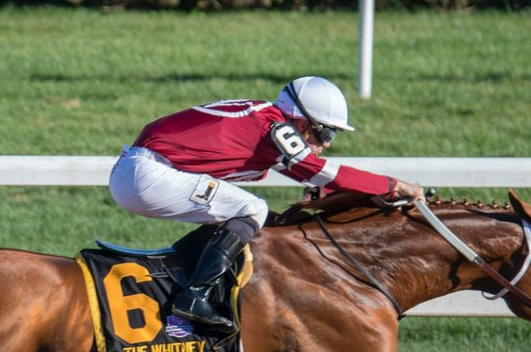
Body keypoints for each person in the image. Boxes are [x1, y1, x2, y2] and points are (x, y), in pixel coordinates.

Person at [108, 75, 426, 331]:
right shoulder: (276, 125)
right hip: (148, 173)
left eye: (333, 136)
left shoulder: (267, 125)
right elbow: (320, 172)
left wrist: (368, 196)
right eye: (324, 132)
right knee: (253, 209)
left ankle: (204, 289)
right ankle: (195, 296)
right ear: (301, 121)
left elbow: (314, 180)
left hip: (143, 170)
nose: (326, 143)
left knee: (260, 219)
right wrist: (393, 185)